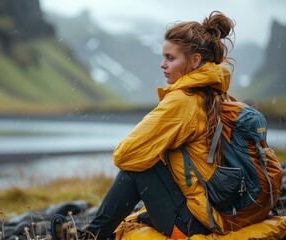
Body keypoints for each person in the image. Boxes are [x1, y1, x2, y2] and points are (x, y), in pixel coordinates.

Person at [52, 11, 265, 240]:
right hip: (218, 213)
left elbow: (123, 155)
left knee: (137, 166)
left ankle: (91, 236)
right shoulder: (216, 93)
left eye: (170, 58)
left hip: (194, 223)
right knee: (145, 160)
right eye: (163, 57)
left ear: (194, 60)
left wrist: (153, 151)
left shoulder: (183, 101)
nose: (162, 65)